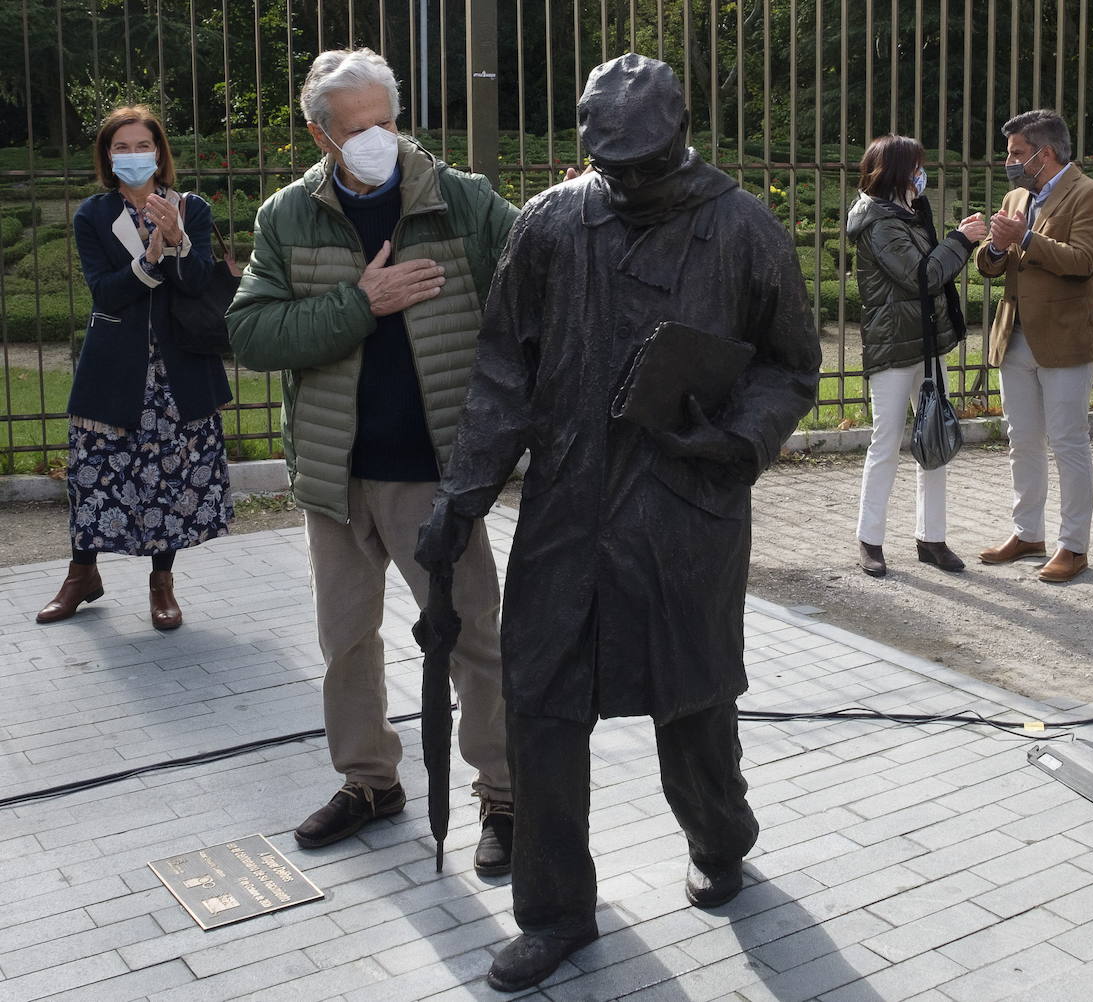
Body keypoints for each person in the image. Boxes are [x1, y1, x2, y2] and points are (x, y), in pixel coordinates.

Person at [414, 53, 821, 993]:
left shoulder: (743, 226)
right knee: (544, 707)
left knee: (694, 701)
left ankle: (722, 836)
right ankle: (556, 912)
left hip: (686, 511)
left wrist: (727, 435)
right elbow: (502, 375)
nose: (631, 182)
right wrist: (460, 497)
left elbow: (792, 367)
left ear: (681, 135)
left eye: (647, 163)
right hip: (566, 511)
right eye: (615, 166)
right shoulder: (552, 224)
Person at [225, 48, 517, 867]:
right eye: (355, 129)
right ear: (321, 135)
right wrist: (361, 304)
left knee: (473, 639)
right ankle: (369, 781)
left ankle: (504, 794)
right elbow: (250, 334)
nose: (376, 141)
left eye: (386, 122)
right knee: (346, 641)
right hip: (335, 473)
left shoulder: (462, 203)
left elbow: (533, 300)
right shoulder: (288, 216)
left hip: (436, 473)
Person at [36, 105, 233, 631]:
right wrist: (147, 261)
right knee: (94, 474)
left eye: (140, 145)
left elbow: (195, 284)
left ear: (159, 151)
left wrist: (177, 241)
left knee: (170, 475)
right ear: (107, 156)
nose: (131, 155)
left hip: (179, 370)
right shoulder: (93, 215)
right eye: (119, 147)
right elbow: (105, 290)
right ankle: (82, 576)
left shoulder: (190, 208)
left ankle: (161, 583)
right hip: (113, 366)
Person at [975, 109, 1093, 582]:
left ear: (1045, 153)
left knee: (1068, 443)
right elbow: (993, 264)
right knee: (1022, 440)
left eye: (1017, 153)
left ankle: (1073, 546)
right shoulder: (1018, 195)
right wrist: (995, 247)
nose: (1009, 162)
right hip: (1013, 336)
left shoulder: (1090, 194)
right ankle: (1027, 532)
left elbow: (1083, 261)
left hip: (1065, 338)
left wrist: (1026, 239)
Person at [847, 134, 987, 576]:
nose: (921, 174)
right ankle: (870, 540)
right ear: (897, 172)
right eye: (916, 166)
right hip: (893, 348)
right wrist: (961, 240)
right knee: (885, 442)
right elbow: (921, 275)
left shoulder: (907, 212)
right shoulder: (878, 222)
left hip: (927, 344)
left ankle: (932, 538)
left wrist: (949, 237)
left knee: (934, 440)